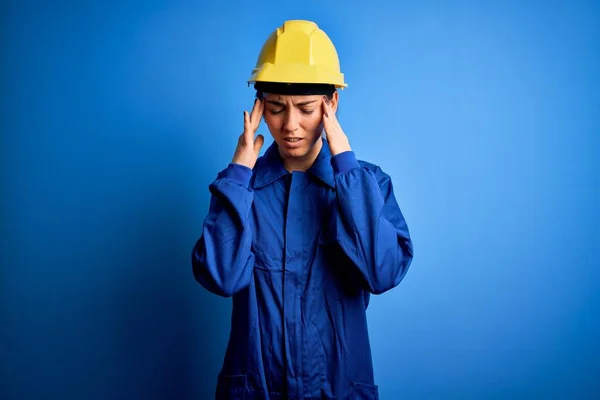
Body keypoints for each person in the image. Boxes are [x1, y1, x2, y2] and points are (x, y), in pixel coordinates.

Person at [192, 20, 414, 400]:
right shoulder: (240, 189)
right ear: (260, 107)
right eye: (276, 109)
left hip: (338, 390)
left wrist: (345, 163)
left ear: (331, 103)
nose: (290, 125)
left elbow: (383, 273)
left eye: (306, 109)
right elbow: (221, 278)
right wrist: (239, 171)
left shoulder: (368, 185)